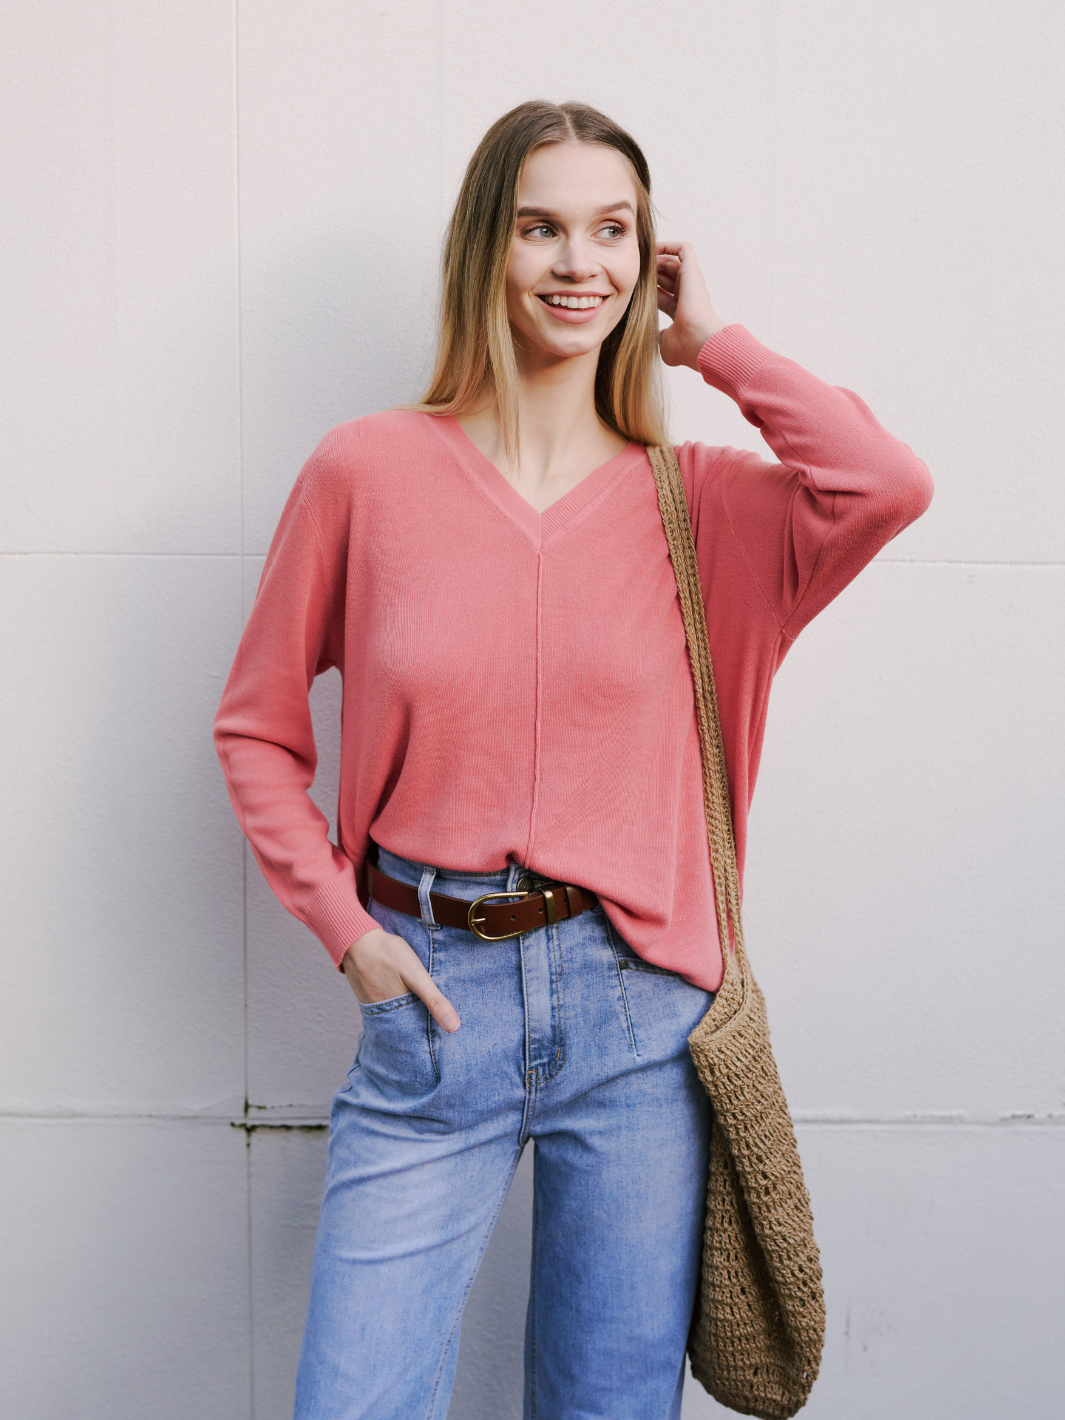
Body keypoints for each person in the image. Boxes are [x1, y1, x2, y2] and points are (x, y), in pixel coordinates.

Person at [214, 100, 932, 1420]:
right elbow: (256, 726)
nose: (577, 263)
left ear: (648, 258)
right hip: (430, 1002)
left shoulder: (701, 502)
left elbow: (885, 482)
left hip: (637, 1016)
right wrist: (346, 933)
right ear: (486, 248)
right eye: (541, 227)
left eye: (613, 231)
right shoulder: (366, 471)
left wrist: (714, 346)